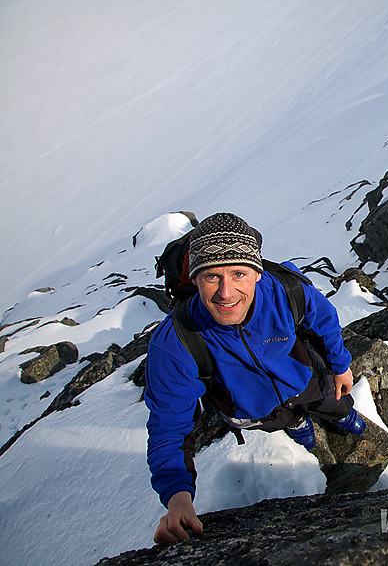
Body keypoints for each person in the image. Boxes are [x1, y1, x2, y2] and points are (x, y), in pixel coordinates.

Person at [144, 212, 365, 545]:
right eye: (210, 277)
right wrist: (177, 496)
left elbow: (325, 320)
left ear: (257, 274)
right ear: (194, 279)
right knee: (285, 420)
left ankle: (342, 416)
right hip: (251, 408)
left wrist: (340, 365)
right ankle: (298, 426)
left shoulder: (286, 290)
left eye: (238, 273)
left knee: (331, 401)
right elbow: (168, 427)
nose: (225, 291)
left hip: (302, 378)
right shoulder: (177, 342)